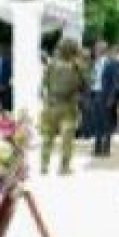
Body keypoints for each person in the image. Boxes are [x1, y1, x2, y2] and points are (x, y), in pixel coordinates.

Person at [39, 37, 85, 175]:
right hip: (67, 107)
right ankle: (64, 167)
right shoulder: (76, 66)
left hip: (51, 105)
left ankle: (44, 165)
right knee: (67, 138)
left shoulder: (51, 64)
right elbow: (84, 84)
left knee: (47, 136)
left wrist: (46, 99)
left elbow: (43, 85)